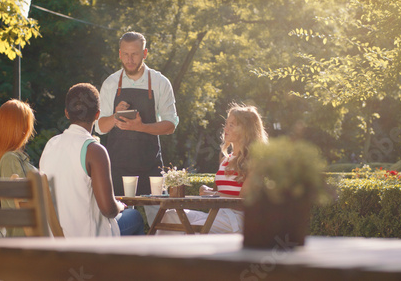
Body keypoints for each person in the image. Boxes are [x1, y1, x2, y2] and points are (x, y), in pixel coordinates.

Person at [40, 83, 144, 237]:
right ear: (97, 115)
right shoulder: (95, 151)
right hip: (86, 243)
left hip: (53, 240)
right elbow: (108, 210)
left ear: (67, 113)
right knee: (135, 217)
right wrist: (119, 206)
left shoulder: (51, 145)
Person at [159, 103, 268, 234]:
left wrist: (214, 194)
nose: (225, 128)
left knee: (191, 227)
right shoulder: (224, 160)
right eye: (226, 124)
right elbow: (220, 193)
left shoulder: (255, 161)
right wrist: (206, 190)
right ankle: (160, 254)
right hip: (218, 215)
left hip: (238, 220)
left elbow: (244, 202)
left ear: (245, 130)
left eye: (231, 125)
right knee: (170, 216)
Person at [95, 31, 179, 197]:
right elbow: (99, 127)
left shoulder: (160, 82)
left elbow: (170, 125)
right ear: (120, 54)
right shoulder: (110, 83)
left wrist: (140, 127)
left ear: (145, 53)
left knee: (158, 218)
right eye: (125, 54)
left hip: (151, 167)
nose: (130, 59)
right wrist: (115, 116)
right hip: (117, 167)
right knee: (118, 220)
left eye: (134, 54)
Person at [0, 99, 37, 237]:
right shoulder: (10, 159)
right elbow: (23, 203)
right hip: (26, 239)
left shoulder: (11, 158)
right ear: (22, 127)